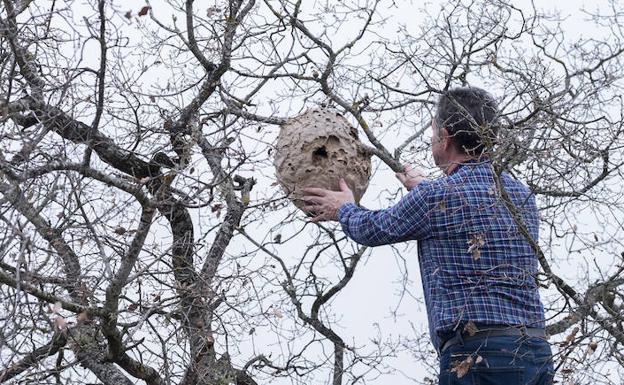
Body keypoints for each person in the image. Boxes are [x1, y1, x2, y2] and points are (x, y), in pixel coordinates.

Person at [302, 87, 554, 385]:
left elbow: (373, 228)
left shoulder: (435, 197)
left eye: (433, 131)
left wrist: (343, 208)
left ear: (445, 137)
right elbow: (470, 211)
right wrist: (424, 189)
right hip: (534, 353)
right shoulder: (520, 194)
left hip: (477, 357)